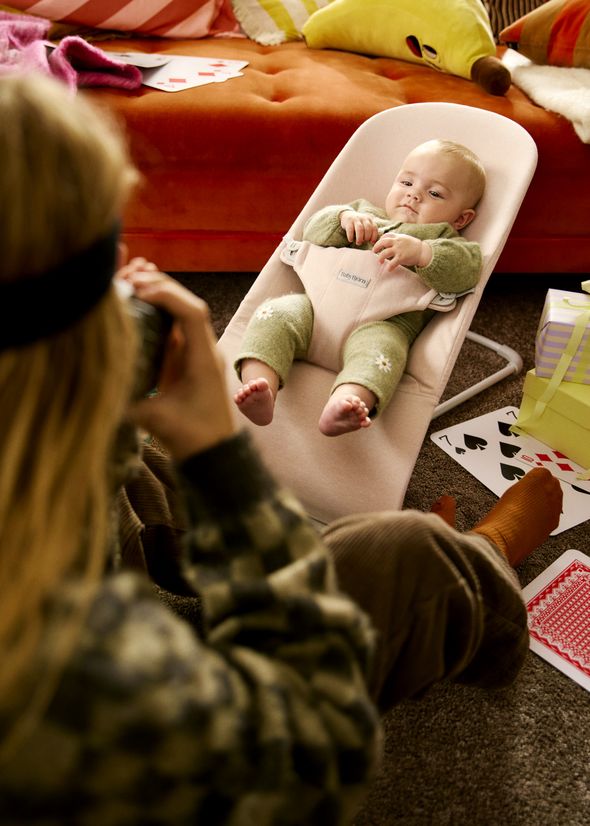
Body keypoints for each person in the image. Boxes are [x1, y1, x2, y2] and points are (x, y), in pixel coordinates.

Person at [0, 71, 564, 826]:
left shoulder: (45, 442)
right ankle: (484, 556)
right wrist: (216, 455)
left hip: (363, 337)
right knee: (410, 553)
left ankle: (281, 524)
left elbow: (459, 270)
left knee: (135, 468)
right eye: (104, 269)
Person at [234, 139, 485, 436]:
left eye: (434, 193)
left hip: (381, 326)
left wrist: (422, 253)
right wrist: (343, 219)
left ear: (461, 218)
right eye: (406, 182)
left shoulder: (444, 239)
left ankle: (346, 404)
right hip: (314, 311)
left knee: (384, 355)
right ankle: (260, 385)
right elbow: (312, 230)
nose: (413, 195)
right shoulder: (363, 212)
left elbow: (466, 270)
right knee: (274, 314)